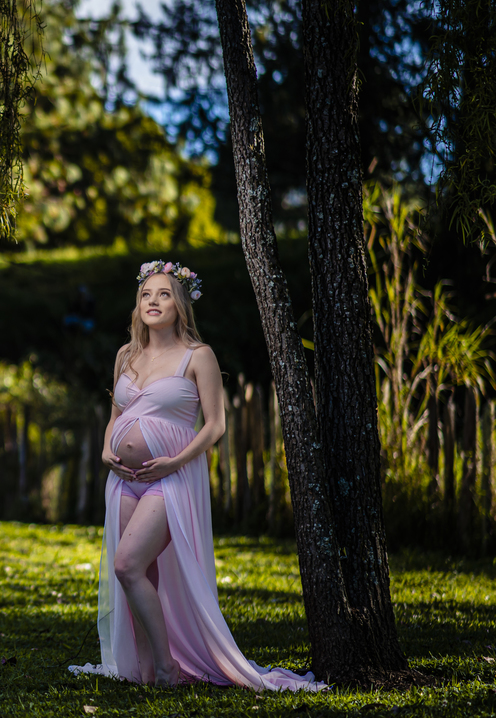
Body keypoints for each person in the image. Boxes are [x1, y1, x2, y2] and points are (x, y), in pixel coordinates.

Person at [69, 261, 326, 692]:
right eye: (147, 294)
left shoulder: (198, 356)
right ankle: (148, 670)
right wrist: (105, 449)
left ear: (181, 304)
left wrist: (173, 462)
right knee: (142, 575)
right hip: (124, 478)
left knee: (127, 565)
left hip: (171, 477)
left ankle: (169, 667)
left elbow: (214, 425)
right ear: (138, 303)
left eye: (164, 294)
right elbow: (117, 415)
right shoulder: (126, 355)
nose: (153, 301)